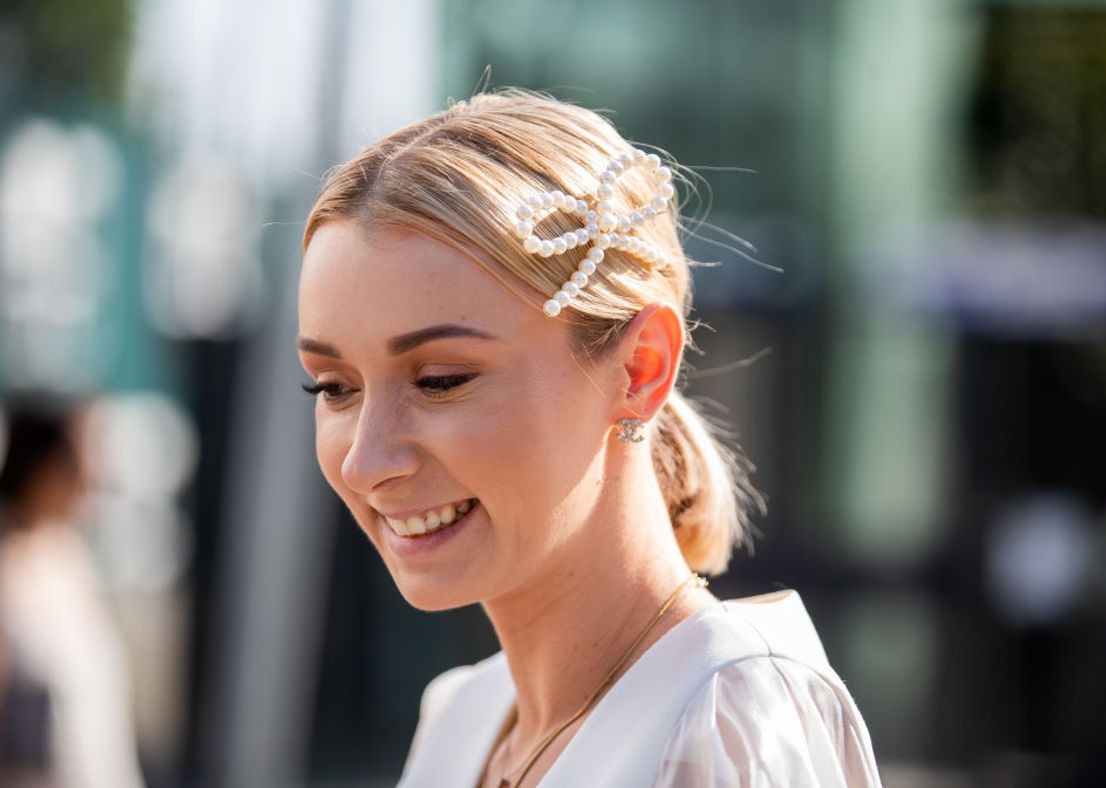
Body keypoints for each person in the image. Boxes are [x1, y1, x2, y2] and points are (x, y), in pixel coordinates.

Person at [297, 89, 882, 787]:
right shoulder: (460, 718)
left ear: (640, 369)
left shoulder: (728, 717)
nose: (366, 460)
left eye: (442, 379)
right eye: (334, 387)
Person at [0, 400, 145, 788]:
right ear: (48, 468)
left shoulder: (70, 558)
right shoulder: (8, 570)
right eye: (84, 460)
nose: (94, 479)